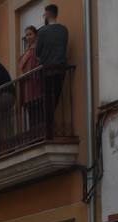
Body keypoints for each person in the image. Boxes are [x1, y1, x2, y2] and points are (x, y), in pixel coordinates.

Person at [35, 3, 69, 131]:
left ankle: (47, 128)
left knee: (47, 101)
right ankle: (49, 126)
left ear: (48, 14)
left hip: (47, 71)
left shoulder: (43, 32)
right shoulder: (64, 30)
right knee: (55, 100)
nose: (44, 16)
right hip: (60, 70)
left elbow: (37, 52)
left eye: (44, 14)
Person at [19, 25, 43, 131]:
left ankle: (40, 133)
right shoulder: (27, 51)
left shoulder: (38, 48)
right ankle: (34, 133)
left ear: (35, 35)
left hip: (36, 85)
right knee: (31, 111)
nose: (28, 37)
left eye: (30, 34)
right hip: (28, 87)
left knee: (39, 111)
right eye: (26, 35)